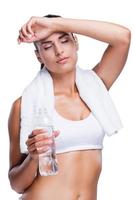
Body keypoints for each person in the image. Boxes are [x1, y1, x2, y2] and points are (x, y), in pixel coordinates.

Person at [8, 14, 131, 200]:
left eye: (65, 40)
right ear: (39, 56)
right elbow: (16, 184)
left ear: (76, 42)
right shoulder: (24, 105)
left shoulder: (96, 88)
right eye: (48, 46)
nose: (59, 51)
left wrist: (53, 24)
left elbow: (123, 37)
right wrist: (34, 158)